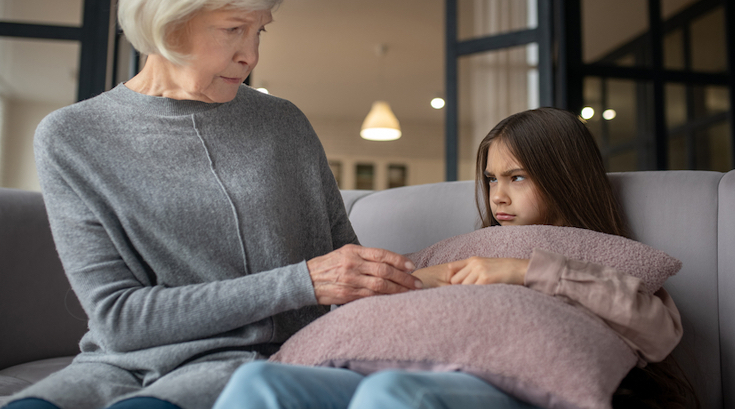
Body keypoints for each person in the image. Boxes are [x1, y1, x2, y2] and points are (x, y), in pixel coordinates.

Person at [0, 0, 421, 409]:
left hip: (248, 363)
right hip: (115, 365)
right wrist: (303, 282)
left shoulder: (283, 124)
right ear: (167, 20)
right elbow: (119, 320)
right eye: (233, 29)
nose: (251, 56)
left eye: (260, 31)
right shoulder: (71, 136)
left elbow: (347, 272)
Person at [212, 107, 699, 409]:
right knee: (261, 382)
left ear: (565, 176)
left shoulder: (601, 253)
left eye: (518, 177)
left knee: (398, 397)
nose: (499, 197)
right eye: (492, 180)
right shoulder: (466, 248)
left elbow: (658, 330)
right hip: (402, 366)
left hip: (506, 386)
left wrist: (525, 271)